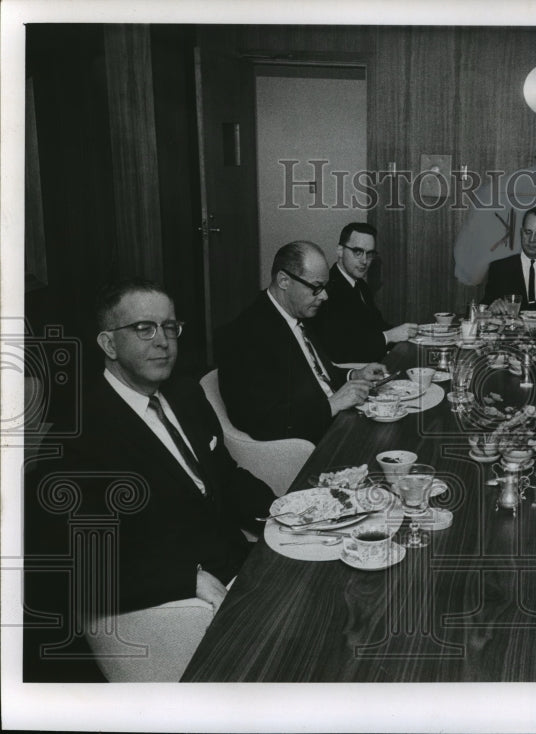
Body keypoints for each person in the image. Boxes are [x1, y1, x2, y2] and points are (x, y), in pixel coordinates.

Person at [67, 278, 276, 615]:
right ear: (109, 344)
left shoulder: (185, 394)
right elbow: (77, 566)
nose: (163, 341)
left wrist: (282, 511)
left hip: (242, 565)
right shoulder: (80, 434)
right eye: (144, 329)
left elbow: (225, 475)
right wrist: (187, 580)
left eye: (169, 326)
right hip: (184, 606)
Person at [218, 241, 385, 442]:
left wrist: (354, 374)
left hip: (336, 421)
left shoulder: (298, 313)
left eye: (325, 287)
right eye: (316, 287)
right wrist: (332, 405)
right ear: (284, 281)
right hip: (311, 441)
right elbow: (260, 421)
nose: (324, 296)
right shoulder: (245, 335)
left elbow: (317, 376)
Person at [314, 222, 417, 363]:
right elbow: (340, 350)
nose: (364, 261)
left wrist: (410, 332)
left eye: (369, 254)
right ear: (340, 250)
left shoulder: (360, 284)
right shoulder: (327, 290)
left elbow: (377, 326)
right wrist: (389, 336)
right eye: (357, 252)